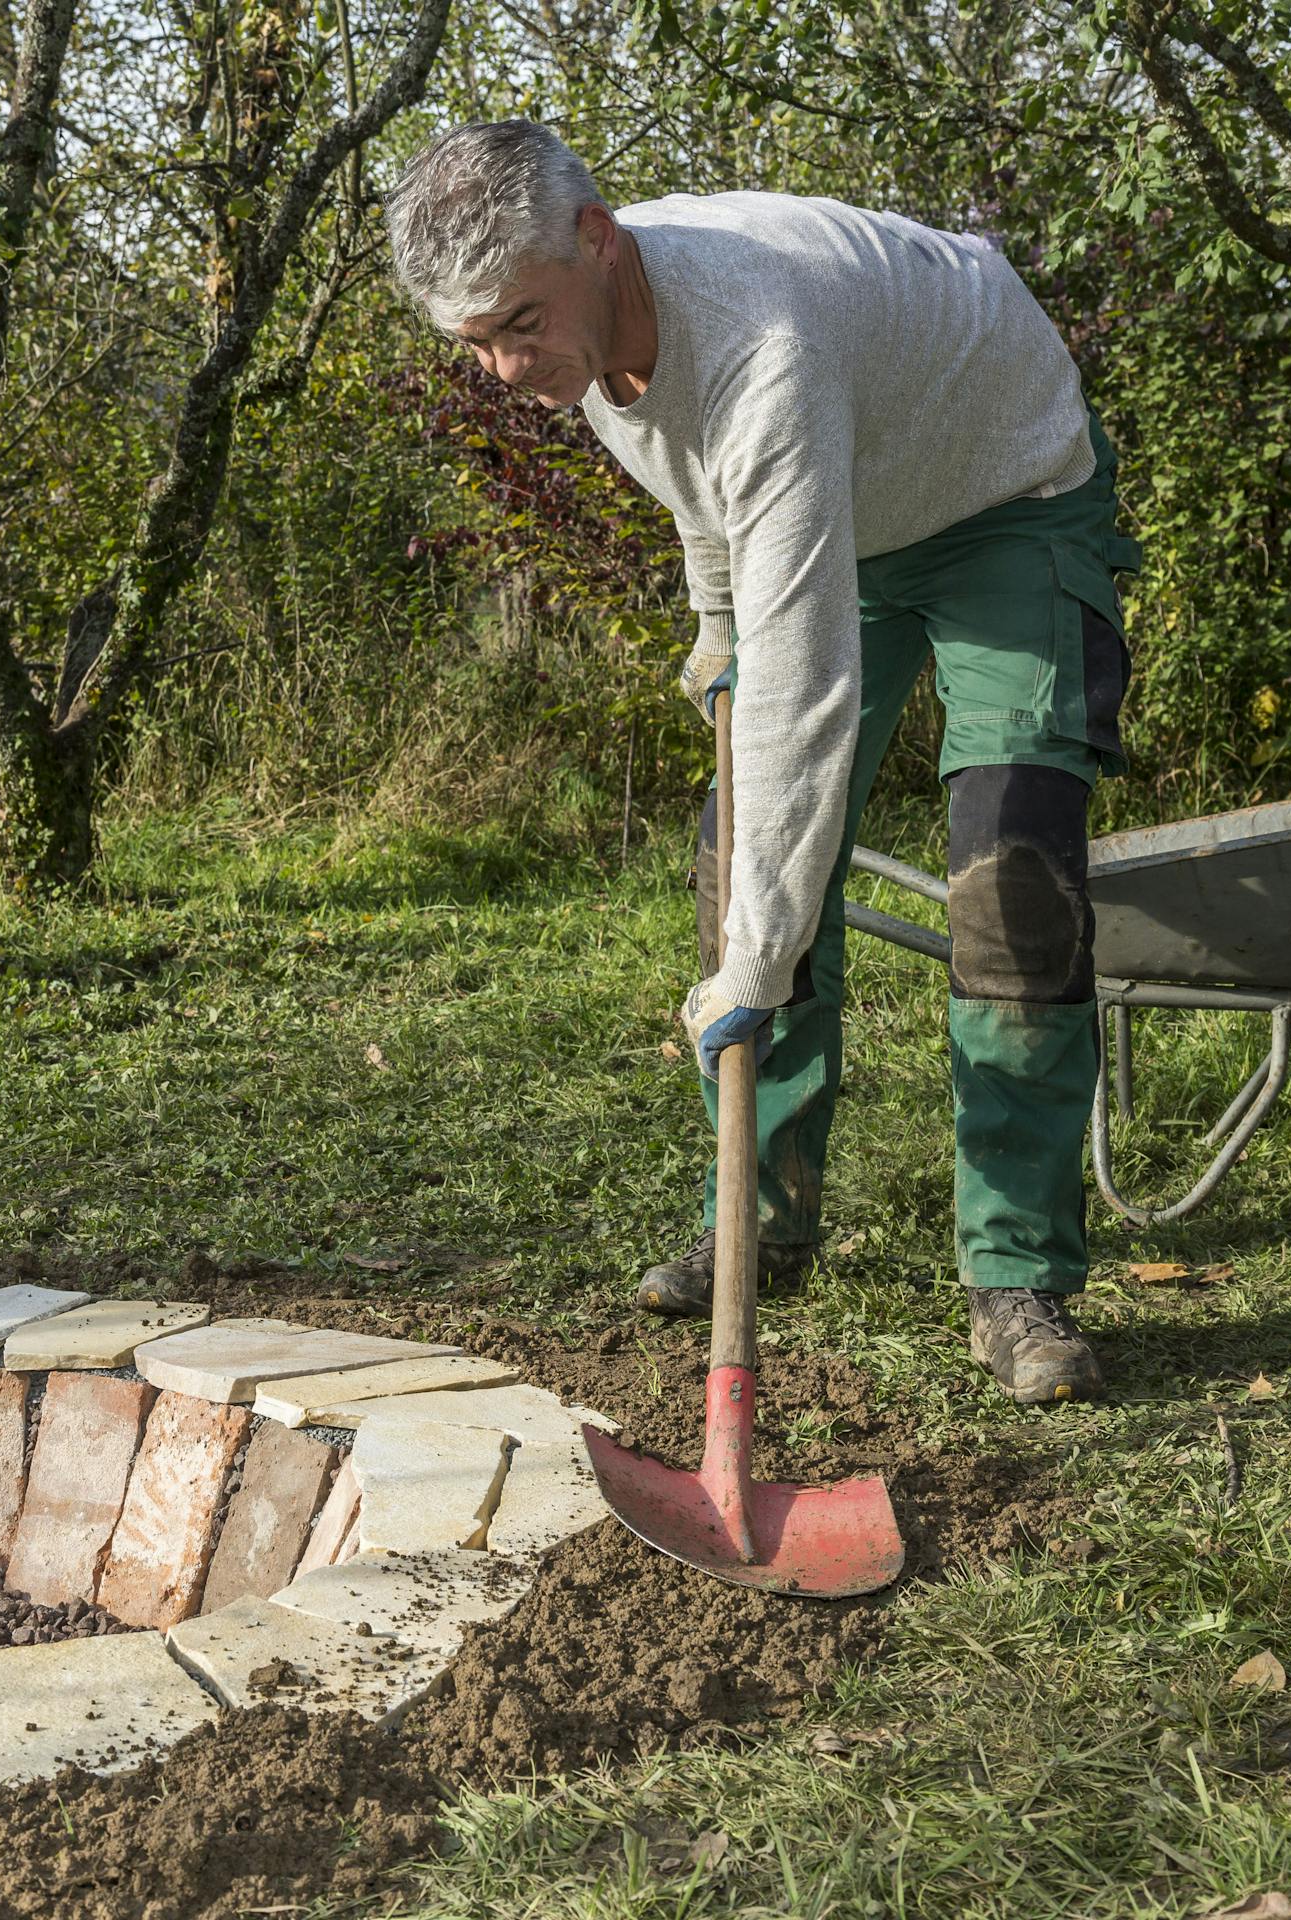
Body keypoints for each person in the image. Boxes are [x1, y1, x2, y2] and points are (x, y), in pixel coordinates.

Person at [386, 120, 1141, 1404]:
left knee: (1009, 879)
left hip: (999, 486)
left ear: (596, 239)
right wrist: (716, 626)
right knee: (738, 859)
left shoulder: (763, 343)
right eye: (475, 345)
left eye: (520, 322)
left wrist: (756, 954)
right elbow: (701, 486)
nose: (507, 367)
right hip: (849, 494)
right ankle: (765, 1217)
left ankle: (1018, 1275)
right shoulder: (582, 339)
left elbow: (807, 701)